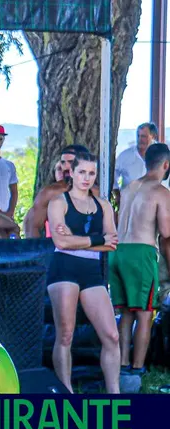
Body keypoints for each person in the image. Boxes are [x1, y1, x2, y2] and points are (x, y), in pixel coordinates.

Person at [46, 151, 120, 394]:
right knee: (65, 334)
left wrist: (78, 239)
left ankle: (115, 395)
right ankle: (67, 393)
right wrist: (96, 239)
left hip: (91, 270)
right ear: (72, 173)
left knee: (111, 335)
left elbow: (111, 244)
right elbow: (61, 243)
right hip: (64, 268)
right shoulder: (59, 202)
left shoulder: (103, 205)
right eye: (82, 172)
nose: (86, 178)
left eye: (91, 173)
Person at [109, 143, 170, 376]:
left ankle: (122, 364)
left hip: (118, 251)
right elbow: (166, 232)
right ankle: (137, 368)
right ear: (166, 165)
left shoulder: (129, 187)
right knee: (145, 314)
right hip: (141, 253)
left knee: (126, 311)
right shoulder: (161, 192)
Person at [23, 145, 98, 239]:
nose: (66, 167)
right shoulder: (50, 193)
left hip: (90, 249)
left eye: (71, 162)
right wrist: (36, 250)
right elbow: (32, 225)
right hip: (58, 250)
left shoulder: (97, 193)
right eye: (63, 162)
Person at [112, 122, 158, 200]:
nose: (140, 139)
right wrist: (118, 197)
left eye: (143, 136)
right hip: (130, 205)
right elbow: (113, 176)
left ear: (153, 136)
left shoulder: (162, 155)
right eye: (138, 136)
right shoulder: (125, 156)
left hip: (155, 204)